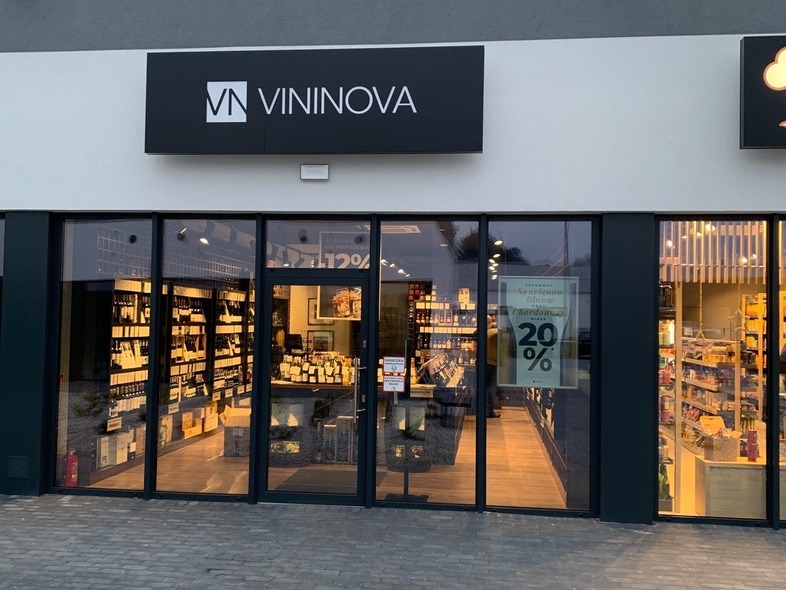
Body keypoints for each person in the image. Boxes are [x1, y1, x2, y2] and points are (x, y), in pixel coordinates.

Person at [486, 316, 500, 418]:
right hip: (493, 363)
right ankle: (490, 410)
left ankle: (487, 409)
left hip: (485, 362)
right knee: (492, 387)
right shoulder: (497, 333)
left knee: (486, 387)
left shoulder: (487, 332)